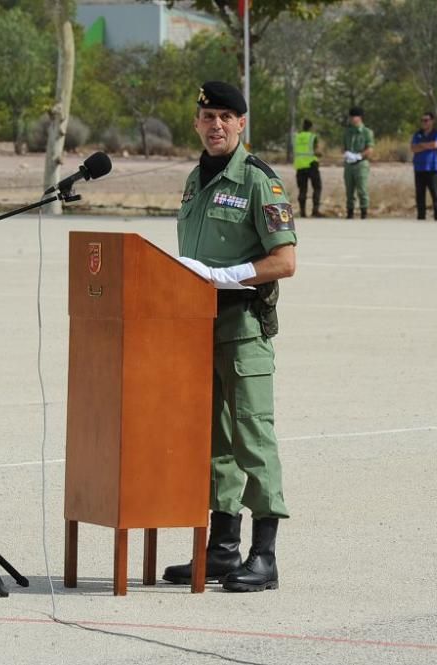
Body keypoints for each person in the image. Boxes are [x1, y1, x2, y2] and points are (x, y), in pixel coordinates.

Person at [164, 81, 297, 593]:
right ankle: (222, 550)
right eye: (207, 117)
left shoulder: (260, 181)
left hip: (242, 329)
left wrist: (230, 275)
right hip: (198, 328)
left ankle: (265, 557)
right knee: (213, 441)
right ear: (196, 124)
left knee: (252, 437)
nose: (215, 125)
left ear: (242, 123)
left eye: (225, 116)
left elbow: (285, 261)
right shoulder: (196, 179)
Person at [411, 112, 437, 221]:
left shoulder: (436, 134)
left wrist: (421, 145)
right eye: (422, 120)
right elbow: (413, 148)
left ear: (432, 121)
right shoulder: (417, 134)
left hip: (432, 168)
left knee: (436, 195)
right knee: (420, 195)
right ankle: (421, 218)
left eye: (426, 120)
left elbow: (435, 145)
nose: (424, 123)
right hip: (419, 169)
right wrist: (427, 146)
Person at [343, 107, 374, 219]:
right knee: (349, 190)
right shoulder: (347, 132)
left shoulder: (367, 132)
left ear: (359, 117)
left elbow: (370, 148)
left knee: (362, 189)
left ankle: (364, 212)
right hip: (349, 164)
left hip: (361, 164)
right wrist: (346, 154)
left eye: (353, 116)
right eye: (350, 117)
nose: (351, 119)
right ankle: (349, 212)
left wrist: (359, 156)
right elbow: (344, 147)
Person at [294, 118, 323, 218]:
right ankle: (315, 210)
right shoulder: (312, 137)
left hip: (300, 166)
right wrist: (320, 154)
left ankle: (303, 212)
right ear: (311, 127)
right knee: (317, 187)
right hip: (311, 165)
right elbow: (316, 150)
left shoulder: (297, 137)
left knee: (302, 189)